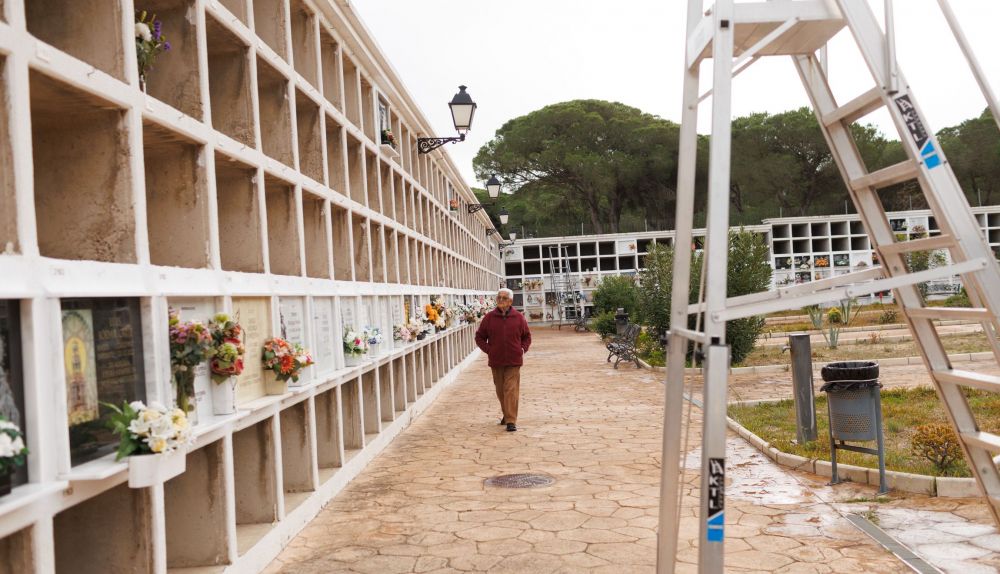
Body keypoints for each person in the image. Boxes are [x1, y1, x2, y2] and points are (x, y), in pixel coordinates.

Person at [475, 288, 531, 432]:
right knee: (501, 391)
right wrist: (489, 350)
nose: (501, 300)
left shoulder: (519, 317)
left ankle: (511, 421)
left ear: (511, 301)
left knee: (510, 390)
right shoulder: (489, 318)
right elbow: (479, 337)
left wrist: (522, 349)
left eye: (504, 298)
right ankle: (507, 414)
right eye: (499, 297)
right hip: (496, 361)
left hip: (514, 360)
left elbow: (527, 337)